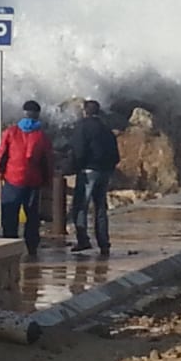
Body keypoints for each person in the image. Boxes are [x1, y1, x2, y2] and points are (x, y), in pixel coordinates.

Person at [0, 99, 53, 259]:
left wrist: (0, 172)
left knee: (10, 214)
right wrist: (46, 180)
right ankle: (32, 247)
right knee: (32, 216)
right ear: (37, 115)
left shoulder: (11, 132)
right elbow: (47, 161)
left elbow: (1, 155)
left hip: (13, 178)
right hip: (33, 181)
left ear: (24, 113)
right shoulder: (42, 136)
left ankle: (9, 245)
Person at [69, 99, 120, 256]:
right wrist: (109, 168)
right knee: (100, 208)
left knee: (81, 206)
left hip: (88, 170)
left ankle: (83, 240)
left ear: (85, 111)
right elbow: (115, 154)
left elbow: (78, 150)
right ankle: (104, 243)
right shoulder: (106, 128)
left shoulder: (82, 126)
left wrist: (74, 167)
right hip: (105, 171)